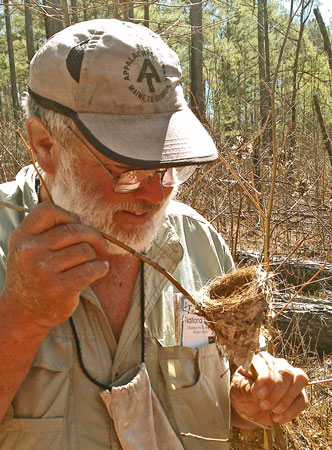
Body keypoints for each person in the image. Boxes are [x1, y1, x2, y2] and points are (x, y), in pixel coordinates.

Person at [0, 19, 308, 449]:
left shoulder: (198, 241)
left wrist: (247, 402)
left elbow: (229, 390)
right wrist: (20, 319)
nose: (155, 194)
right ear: (46, 146)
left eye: (169, 166)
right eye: (127, 170)